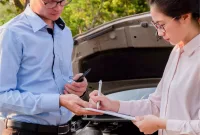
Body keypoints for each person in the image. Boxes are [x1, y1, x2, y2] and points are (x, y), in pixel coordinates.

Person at [89, 0, 200, 135]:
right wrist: (114, 105)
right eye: (156, 25)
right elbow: (156, 105)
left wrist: (161, 124)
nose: (159, 33)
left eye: (161, 25)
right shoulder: (177, 51)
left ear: (185, 17)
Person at [0, 0, 98, 135]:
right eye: (50, 1)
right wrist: (58, 101)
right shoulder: (11, 33)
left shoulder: (65, 33)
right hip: (24, 131)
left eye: (63, 1)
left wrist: (76, 87)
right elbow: (2, 97)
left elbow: (58, 83)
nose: (58, 7)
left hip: (68, 129)